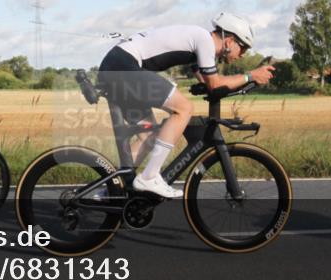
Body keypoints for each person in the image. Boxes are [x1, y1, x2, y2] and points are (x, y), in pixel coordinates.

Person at [97, 13, 275, 198]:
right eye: (243, 48)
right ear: (229, 41)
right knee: (184, 108)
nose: (243, 54)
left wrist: (242, 81)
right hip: (123, 65)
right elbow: (215, 84)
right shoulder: (204, 40)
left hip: (115, 65)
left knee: (148, 137)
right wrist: (250, 76)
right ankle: (149, 177)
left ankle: (111, 190)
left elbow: (210, 84)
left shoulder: (199, 47)